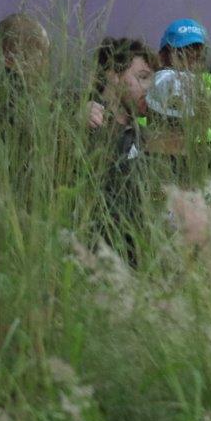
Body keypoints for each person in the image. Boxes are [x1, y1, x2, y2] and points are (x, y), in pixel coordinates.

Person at [89, 37, 159, 260]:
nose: (150, 88)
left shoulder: (144, 135)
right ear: (113, 75)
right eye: (143, 77)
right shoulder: (83, 117)